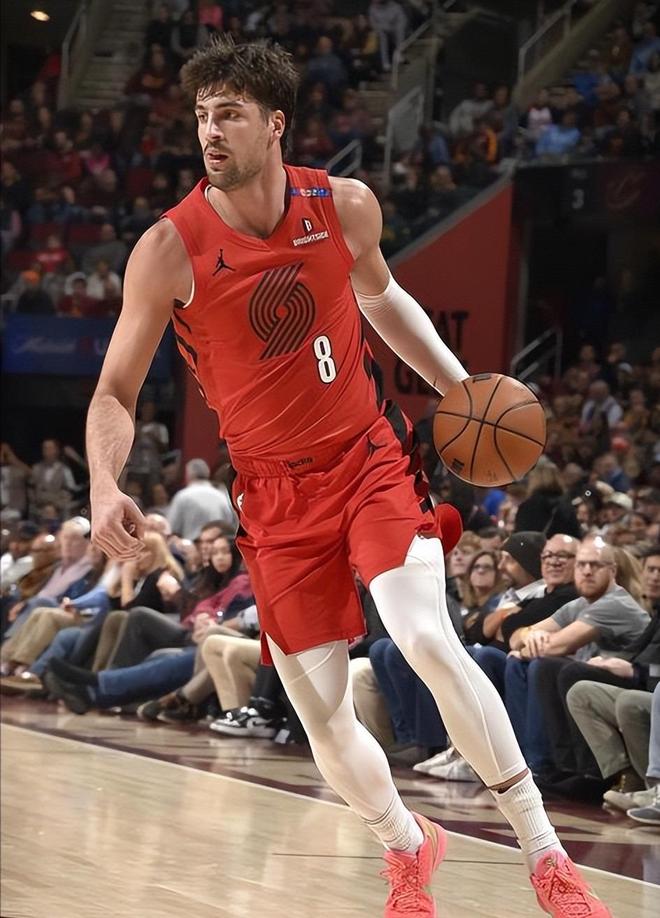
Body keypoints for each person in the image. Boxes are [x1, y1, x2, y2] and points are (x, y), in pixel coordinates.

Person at [84, 37, 611, 917]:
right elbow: (113, 390)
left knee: (427, 638)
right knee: (323, 714)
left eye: (229, 114)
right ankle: (406, 844)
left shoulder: (345, 206)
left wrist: (460, 388)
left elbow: (382, 297)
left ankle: (546, 855)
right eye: (202, 115)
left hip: (367, 458)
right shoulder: (169, 248)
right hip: (273, 495)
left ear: (274, 122)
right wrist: (105, 483)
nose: (209, 131)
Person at [167, 458, 236, 539]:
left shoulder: (182, 496)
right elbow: (231, 523)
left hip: (193, 544)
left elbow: (171, 527)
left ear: (187, 475)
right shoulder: (221, 496)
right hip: (219, 543)